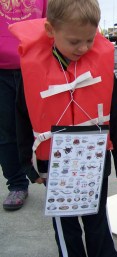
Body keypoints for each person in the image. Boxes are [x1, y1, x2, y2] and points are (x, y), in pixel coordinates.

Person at [10, 0, 117, 256]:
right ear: (50, 30)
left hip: (95, 158)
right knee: (65, 224)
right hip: (54, 164)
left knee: (97, 218)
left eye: (90, 40)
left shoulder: (100, 68)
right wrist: (25, 164)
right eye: (74, 41)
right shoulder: (31, 72)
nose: (84, 48)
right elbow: (21, 120)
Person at [0, 0, 47, 210]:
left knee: (48, 127)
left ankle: (58, 180)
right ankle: (17, 184)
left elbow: (54, 21)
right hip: (1, 71)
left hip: (37, 65)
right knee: (6, 131)